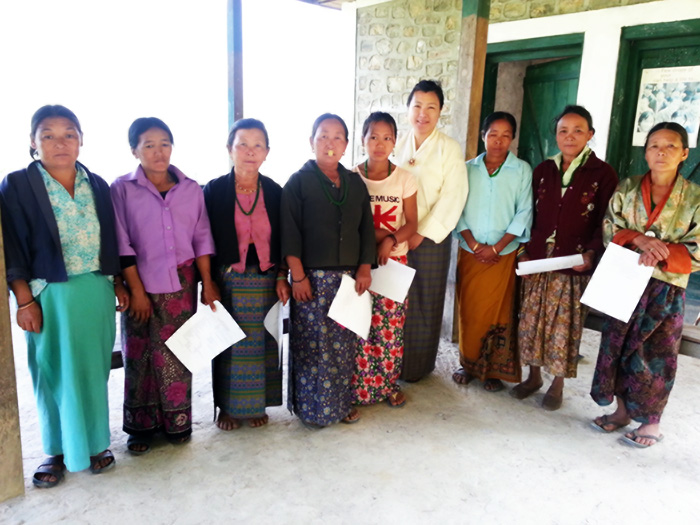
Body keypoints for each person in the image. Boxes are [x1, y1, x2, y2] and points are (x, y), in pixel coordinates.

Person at [0, 105, 127, 487]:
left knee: (92, 371)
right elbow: (13, 247)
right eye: (49, 134)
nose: (60, 142)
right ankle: (55, 449)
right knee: (51, 371)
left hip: (95, 290)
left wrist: (117, 282)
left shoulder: (97, 183)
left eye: (69, 133)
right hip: (47, 292)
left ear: (81, 140)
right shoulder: (18, 185)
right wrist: (24, 300)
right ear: (33, 142)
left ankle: (95, 443)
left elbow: (113, 239)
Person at [111, 117, 218, 454]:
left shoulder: (190, 188)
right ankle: (142, 428)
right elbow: (121, 241)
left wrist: (208, 282)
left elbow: (201, 237)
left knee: (177, 354)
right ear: (134, 150)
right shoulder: (122, 189)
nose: (158, 152)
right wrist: (136, 291)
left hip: (182, 284)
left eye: (164, 144)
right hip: (139, 282)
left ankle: (177, 421)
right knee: (140, 355)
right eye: (149, 145)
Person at [590, 122, 700, 447]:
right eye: (654, 145)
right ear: (645, 151)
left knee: (656, 354)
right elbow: (611, 226)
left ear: (684, 153)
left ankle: (651, 423)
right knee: (618, 347)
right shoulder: (628, 187)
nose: (661, 152)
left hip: (666, 288)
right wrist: (637, 238)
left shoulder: (694, 197)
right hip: (625, 279)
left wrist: (663, 254)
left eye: (669, 146)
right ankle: (622, 411)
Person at [512, 105, 617, 410]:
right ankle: (533, 376)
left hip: (574, 260)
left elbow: (606, 221)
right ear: (555, 135)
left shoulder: (602, 173)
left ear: (590, 135)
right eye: (563, 130)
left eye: (578, 130)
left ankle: (557, 384)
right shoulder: (543, 170)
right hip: (539, 258)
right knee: (531, 319)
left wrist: (591, 252)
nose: (569, 137)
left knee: (564, 324)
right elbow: (529, 213)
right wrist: (524, 251)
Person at [281, 113, 375, 428]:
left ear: (346, 144)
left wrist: (364, 267)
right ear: (311, 142)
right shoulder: (298, 181)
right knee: (311, 347)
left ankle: (340, 404)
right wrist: (298, 275)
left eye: (337, 137)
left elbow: (366, 228)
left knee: (343, 347)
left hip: (348, 281)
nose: (329, 143)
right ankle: (311, 409)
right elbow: (289, 232)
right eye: (322, 136)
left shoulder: (354, 183)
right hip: (311, 281)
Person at [203, 118, 289, 430]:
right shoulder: (214, 191)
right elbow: (203, 239)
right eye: (242, 144)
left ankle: (256, 404)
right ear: (230, 149)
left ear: (266, 152)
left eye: (257, 145)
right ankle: (226, 408)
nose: (250, 151)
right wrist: (208, 281)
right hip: (229, 280)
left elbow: (285, 238)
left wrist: (282, 275)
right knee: (228, 343)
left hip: (266, 279)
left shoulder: (277, 193)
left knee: (263, 342)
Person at [394, 80, 469, 382]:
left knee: (425, 301)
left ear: (440, 112)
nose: (422, 114)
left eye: (431, 107)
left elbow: (454, 195)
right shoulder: (397, 143)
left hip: (430, 240)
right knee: (395, 299)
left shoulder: (448, 149)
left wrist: (421, 233)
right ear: (408, 108)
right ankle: (391, 363)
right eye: (417, 106)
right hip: (395, 237)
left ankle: (417, 367)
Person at [453, 112, 533, 392]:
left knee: (498, 313)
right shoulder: (467, 169)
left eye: (506, 135)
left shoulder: (522, 170)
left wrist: (497, 247)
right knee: (470, 311)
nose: (499, 141)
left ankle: (494, 371)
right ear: (483, 136)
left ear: (513, 138)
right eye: (493, 134)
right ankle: (469, 364)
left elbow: (524, 212)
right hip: (471, 252)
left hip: (503, 254)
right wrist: (475, 245)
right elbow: (457, 209)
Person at [351, 112, 418, 408]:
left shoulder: (405, 178)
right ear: (363, 139)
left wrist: (390, 240)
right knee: (358, 325)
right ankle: (358, 389)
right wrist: (376, 238)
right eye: (373, 137)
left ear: (395, 141)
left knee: (389, 328)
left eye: (387, 137)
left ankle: (387, 385)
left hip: (393, 264)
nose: (380, 144)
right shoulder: (351, 177)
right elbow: (350, 224)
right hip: (359, 263)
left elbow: (412, 223)